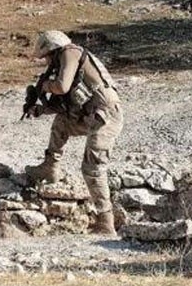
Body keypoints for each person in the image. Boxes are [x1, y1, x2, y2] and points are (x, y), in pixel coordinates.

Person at [23, 30, 124, 235]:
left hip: (106, 116)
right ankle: (50, 167)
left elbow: (61, 86)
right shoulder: (66, 62)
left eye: (46, 57)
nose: (46, 62)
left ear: (53, 49)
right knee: (61, 124)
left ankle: (106, 222)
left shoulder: (70, 52)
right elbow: (66, 105)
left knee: (92, 167)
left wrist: (44, 85)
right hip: (91, 116)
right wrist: (41, 109)